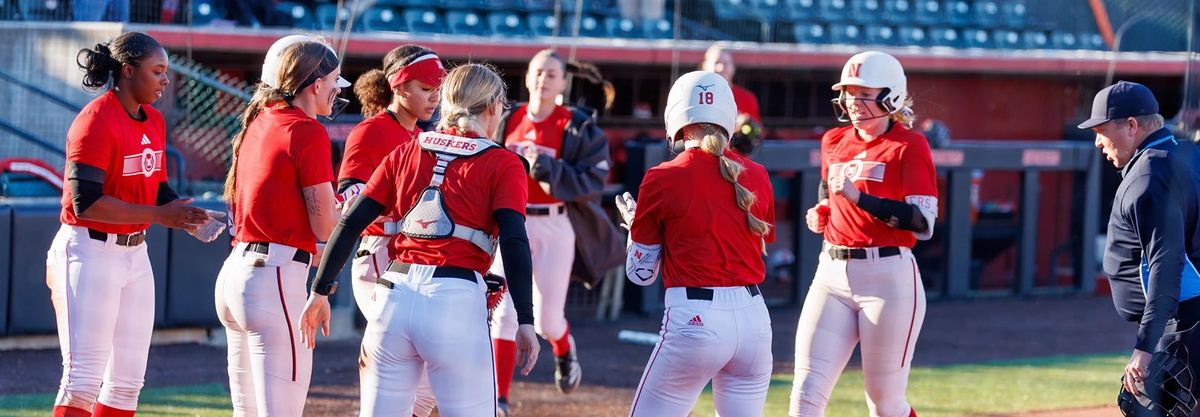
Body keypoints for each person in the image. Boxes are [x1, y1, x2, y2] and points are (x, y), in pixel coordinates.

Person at [299, 63, 540, 417]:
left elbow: (350, 222)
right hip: (454, 298)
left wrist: (319, 290)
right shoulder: (503, 163)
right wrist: (526, 320)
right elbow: (515, 241)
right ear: (491, 107)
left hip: (392, 297)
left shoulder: (407, 151)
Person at [48, 32, 212, 417]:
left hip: (135, 253)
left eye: (166, 72)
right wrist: (159, 215)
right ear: (127, 70)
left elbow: (155, 187)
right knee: (82, 381)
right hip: (88, 250)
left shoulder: (153, 119)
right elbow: (84, 203)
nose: (164, 81)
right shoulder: (95, 120)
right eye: (157, 71)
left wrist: (182, 212)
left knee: (126, 385)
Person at [617, 70, 776, 417]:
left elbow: (640, 274)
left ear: (678, 121)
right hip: (755, 321)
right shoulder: (758, 175)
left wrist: (635, 228)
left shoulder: (663, 176)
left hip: (696, 318)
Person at [788, 51, 938, 417]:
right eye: (849, 93)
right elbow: (829, 189)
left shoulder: (909, 145)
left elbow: (923, 223)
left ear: (891, 97)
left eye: (863, 93)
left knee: (884, 404)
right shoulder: (834, 140)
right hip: (832, 271)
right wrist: (823, 211)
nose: (853, 102)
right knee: (804, 397)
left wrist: (860, 199)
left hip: (888, 278)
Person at [214, 34, 349, 416]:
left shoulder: (260, 120)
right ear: (315, 84)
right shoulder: (306, 129)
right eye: (334, 82)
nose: (336, 91)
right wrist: (347, 208)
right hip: (272, 278)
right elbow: (325, 226)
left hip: (239, 273)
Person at [488, 49, 620, 413]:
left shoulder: (574, 124)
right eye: (538, 72)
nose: (544, 79)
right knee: (503, 310)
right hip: (512, 221)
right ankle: (499, 399)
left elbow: (593, 180)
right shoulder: (508, 117)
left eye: (551, 74)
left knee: (546, 320)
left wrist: (545, 167)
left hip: (555, 221)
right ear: (527, 78)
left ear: (564, 81)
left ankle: (564, 348)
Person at [339, 44, 446, 417]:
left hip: (413, 257)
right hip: (381, 253)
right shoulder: (372, 131)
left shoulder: (425, 136)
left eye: (438, 88)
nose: (434, 96)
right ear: (398, 86)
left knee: (427, 383)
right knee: (410, 373)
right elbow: (348, 197)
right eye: (425, 87)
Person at [1081, 81, 1200, 416]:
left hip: (1183, 326)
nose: (1097, 142)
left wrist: (1145, 348)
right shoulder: (1184, 155)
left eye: (1102, 130)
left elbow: (1166, 265)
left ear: (1131, 126)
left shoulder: (1148, 176)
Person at [701, 45, 763, 157]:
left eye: (725, 63)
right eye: (716, 63)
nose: (720, 68)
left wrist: (746, 125)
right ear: (705, 66)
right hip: (706, 159)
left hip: (738, 163)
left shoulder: (747, 97)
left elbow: (757, 134)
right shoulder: (699, 95)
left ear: (733, 67)